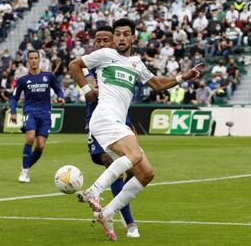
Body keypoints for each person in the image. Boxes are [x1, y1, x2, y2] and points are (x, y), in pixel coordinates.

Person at [69, 18, 201, 241]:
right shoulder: (104, 55)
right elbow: (74, 65)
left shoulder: (136, 64)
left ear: (132, 38)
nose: (121, 37)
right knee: (134, 155)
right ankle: (94, 191)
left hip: (117, 123)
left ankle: (108, 212)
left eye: (125, 34)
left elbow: (157, 84)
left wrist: (182, 78)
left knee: (146, 173)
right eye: (117, 34)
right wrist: (86, 90)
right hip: (103, 118)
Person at [83, 25, 139, 238]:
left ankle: (116, 208)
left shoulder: (122, 63)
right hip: (99, 125)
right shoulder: (93, 66)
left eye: (106, 40)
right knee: (112, 161)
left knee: (136, 171)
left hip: (122, 122)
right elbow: (90, 91)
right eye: (98, 41)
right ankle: (126, 219)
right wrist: (90, 89)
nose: (102, 44)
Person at [10, 50, 65, 183]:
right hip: (30, 112)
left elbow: (58, 89)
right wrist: (13, 111)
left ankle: (26, 167)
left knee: (40, 146)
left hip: (45, 114)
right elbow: (14, 97)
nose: (34, 60)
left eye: (36, 58)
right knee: (30, 138)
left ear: (39, 60)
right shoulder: (22, 80)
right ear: (28, 61)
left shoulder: (48, 76)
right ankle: (24, 172)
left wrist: (60, 97)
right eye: (31, 58)